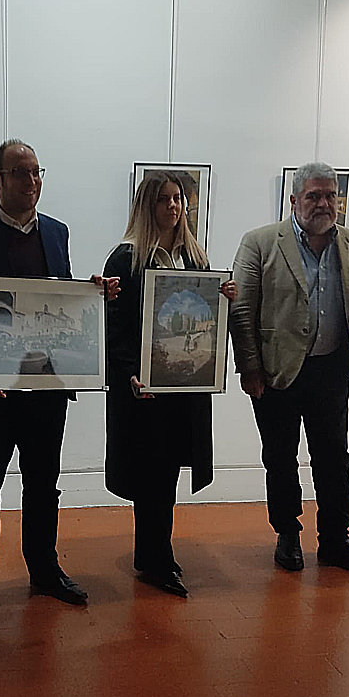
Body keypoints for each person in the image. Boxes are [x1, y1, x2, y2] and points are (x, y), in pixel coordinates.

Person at [0, 139, 118, 621]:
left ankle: (44, 571)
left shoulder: (57, 233)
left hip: (45, 386)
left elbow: (58, 300)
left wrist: (93, 294)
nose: (31, 181)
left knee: (44, 484)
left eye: (37, 172)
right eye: (20, 172)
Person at [229, 161, 349, 578]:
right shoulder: (260, 242)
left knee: (334, 458)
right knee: (280, 458)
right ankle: (288, 535)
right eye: (313, 195)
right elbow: (241, 310)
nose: (323, 203)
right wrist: (250, 368)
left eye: (330, 195)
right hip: (277, 373)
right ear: (294, 199)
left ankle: (335, 540)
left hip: (331, 371)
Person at [103, 173, 237, 598]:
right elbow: (116, 329)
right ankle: (157, 558)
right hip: (145, 390)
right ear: (147, 205)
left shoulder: (195, 260)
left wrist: (225, 299)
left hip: (184, 389)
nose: (173, 207)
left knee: (169, 475)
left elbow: (210, 323)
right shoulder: (125, 260)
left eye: (178, 199)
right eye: (163, 200)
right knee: (151, 477)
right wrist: (129, 375)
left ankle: (155, 554)